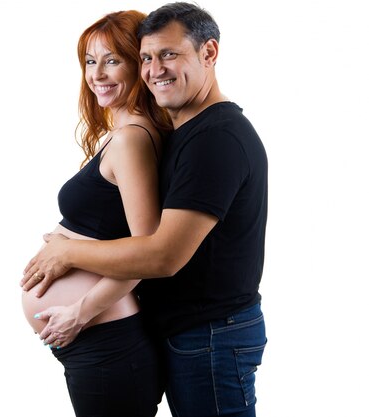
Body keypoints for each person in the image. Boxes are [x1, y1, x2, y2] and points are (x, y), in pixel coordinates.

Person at [21, 3, 268, 417]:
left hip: (210, 335)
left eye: (169, 54)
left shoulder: (215, 139)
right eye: (148, 57)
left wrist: (67, 256)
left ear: (209, 53)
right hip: (186, 331)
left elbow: (160, 254)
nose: (156, 69)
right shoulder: (185, 132)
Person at [20, 9, 172, 417]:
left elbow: (149, 253)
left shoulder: (132, 141)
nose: (98, 74)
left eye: (112, 60)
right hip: (96, 341)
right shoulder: (120, 136)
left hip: (107, 341)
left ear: (138, 65)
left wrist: (77, 312)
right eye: (90, 61)